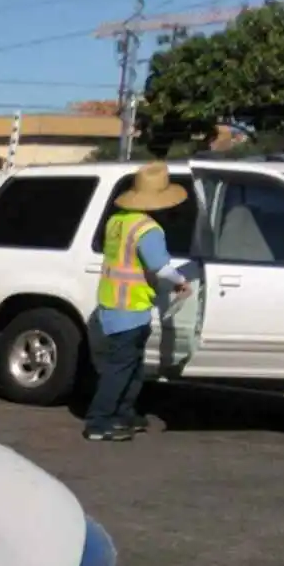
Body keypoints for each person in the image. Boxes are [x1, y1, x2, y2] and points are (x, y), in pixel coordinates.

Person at [86, 161, 192, 442]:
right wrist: (181, 281)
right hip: (131, 309)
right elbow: (160, 267)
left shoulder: (116, 222)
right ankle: (99, 421)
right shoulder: (148, 229)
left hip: (110, 305)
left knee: (130, 367)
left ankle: (124, 415)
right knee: (120, 370)